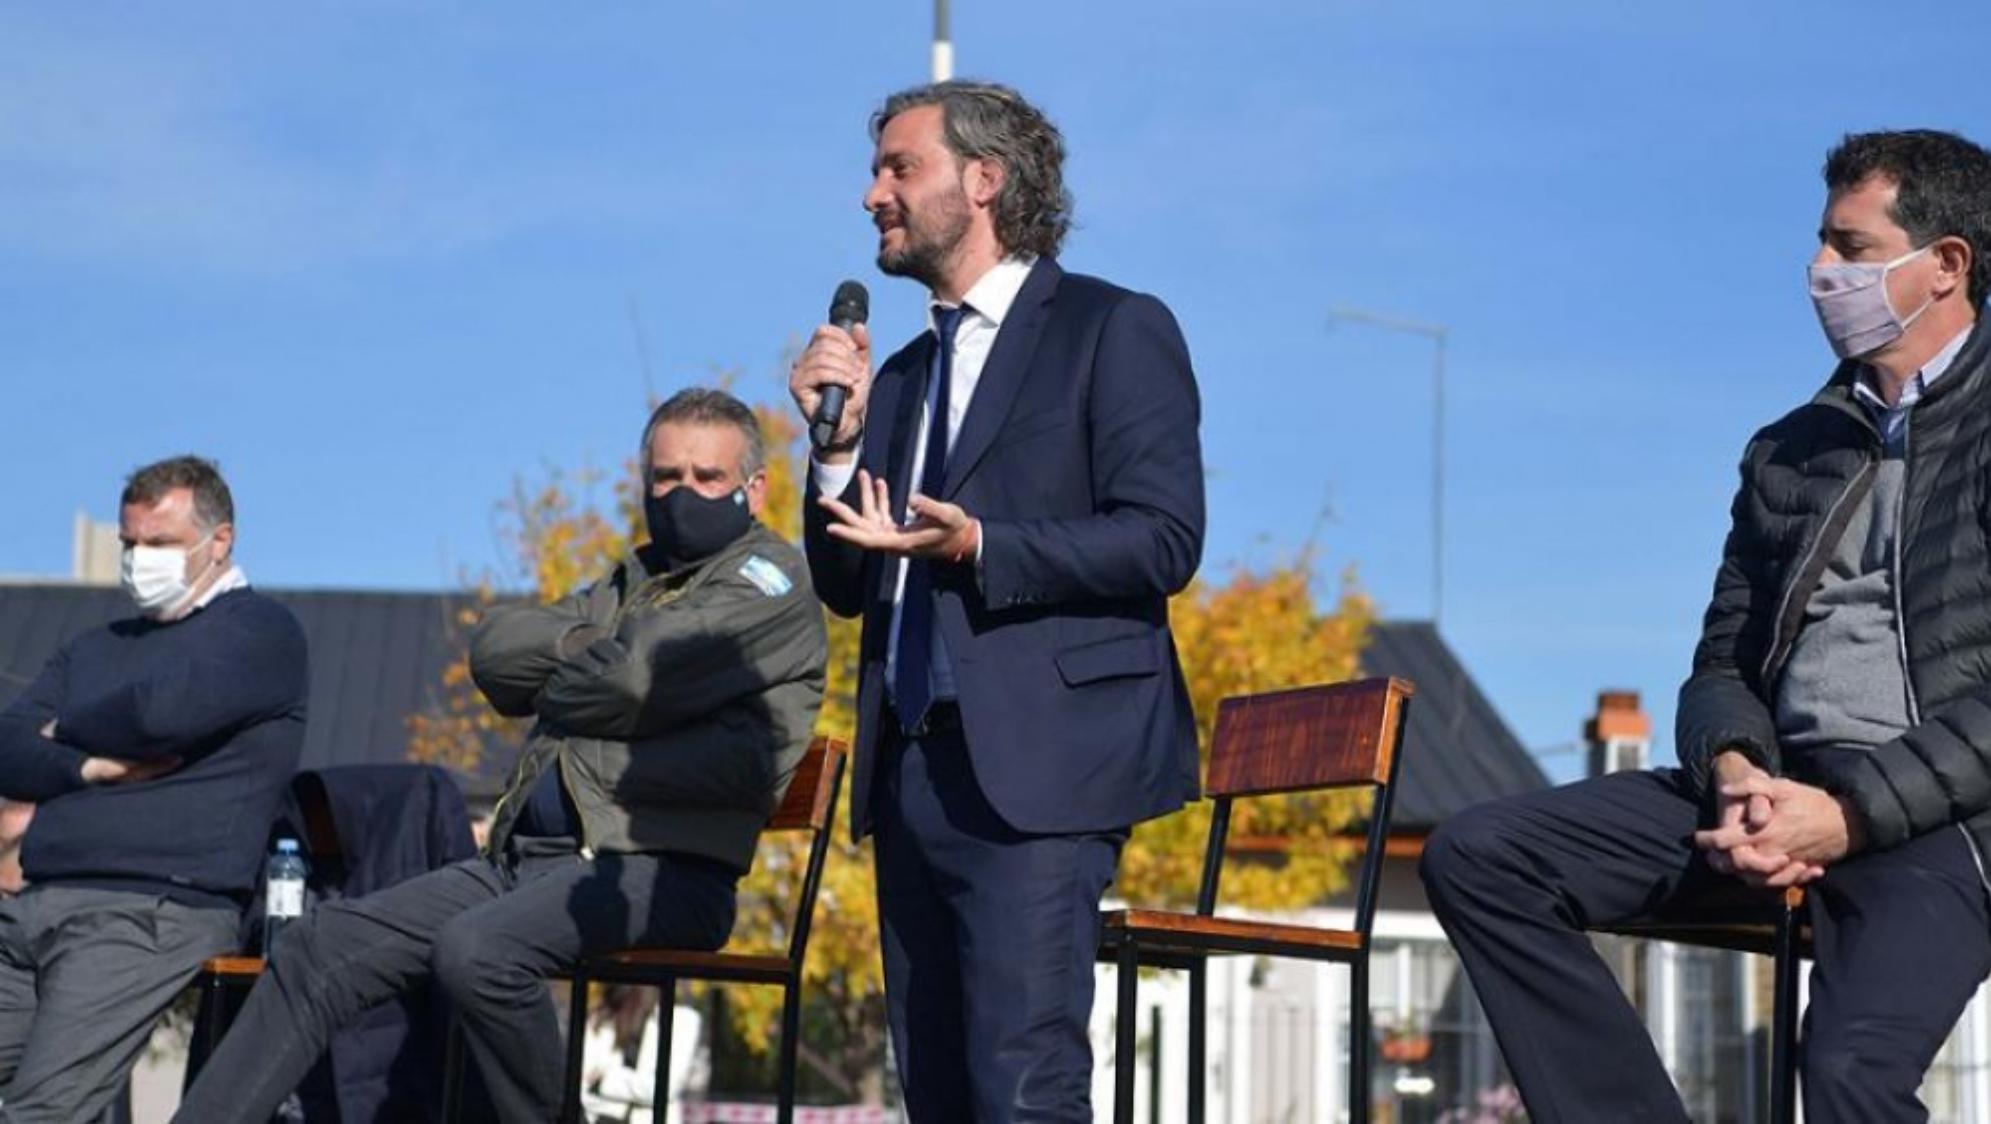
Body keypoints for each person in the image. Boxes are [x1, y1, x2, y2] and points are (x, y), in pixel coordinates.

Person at [1421, 129, 1991, 1122]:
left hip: (1947, 822)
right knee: (1479, 852)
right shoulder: (1786, 449)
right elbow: (1721, 661)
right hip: (1774, 797)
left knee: (1850, 1069)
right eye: (1818, 244)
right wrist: (1734, 769)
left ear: (1944, 265)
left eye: (1850, 249)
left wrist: (1849, 813)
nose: (1818, 272)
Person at [175, 388, 828, 1123]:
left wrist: (572, 679)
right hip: (526, 865)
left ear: (754, 487)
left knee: (477, 951)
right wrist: (598, 662)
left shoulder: (766, 584)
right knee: (320, 945)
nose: (683, 494)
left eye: (707, 478)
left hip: (659, 871)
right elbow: (494, 651)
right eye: (666, 477)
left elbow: (640, 674)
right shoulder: (628, 581)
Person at [789, 80, 1204, 1120]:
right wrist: (833, 450)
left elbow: (1162, 537)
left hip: (1042, 757)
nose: (871, 194)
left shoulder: (1112, 328)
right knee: (934, 1087)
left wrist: (980, 542)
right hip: (911, 765)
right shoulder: (899, 378)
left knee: (1020, 1084)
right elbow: (847, 584)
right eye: (876, 169)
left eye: (899, 168)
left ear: (983, 180)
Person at [0, 454, 309, 1122]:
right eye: (129, 544)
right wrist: (86, 766)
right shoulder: (96, 647)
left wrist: (61, 728)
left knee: (39, 1111)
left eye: (160, 544)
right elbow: (6, 750)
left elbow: (160, 714)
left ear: (219, 540)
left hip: (148, 910)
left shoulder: (259, 633)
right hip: (31, 904)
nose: (140, 560)